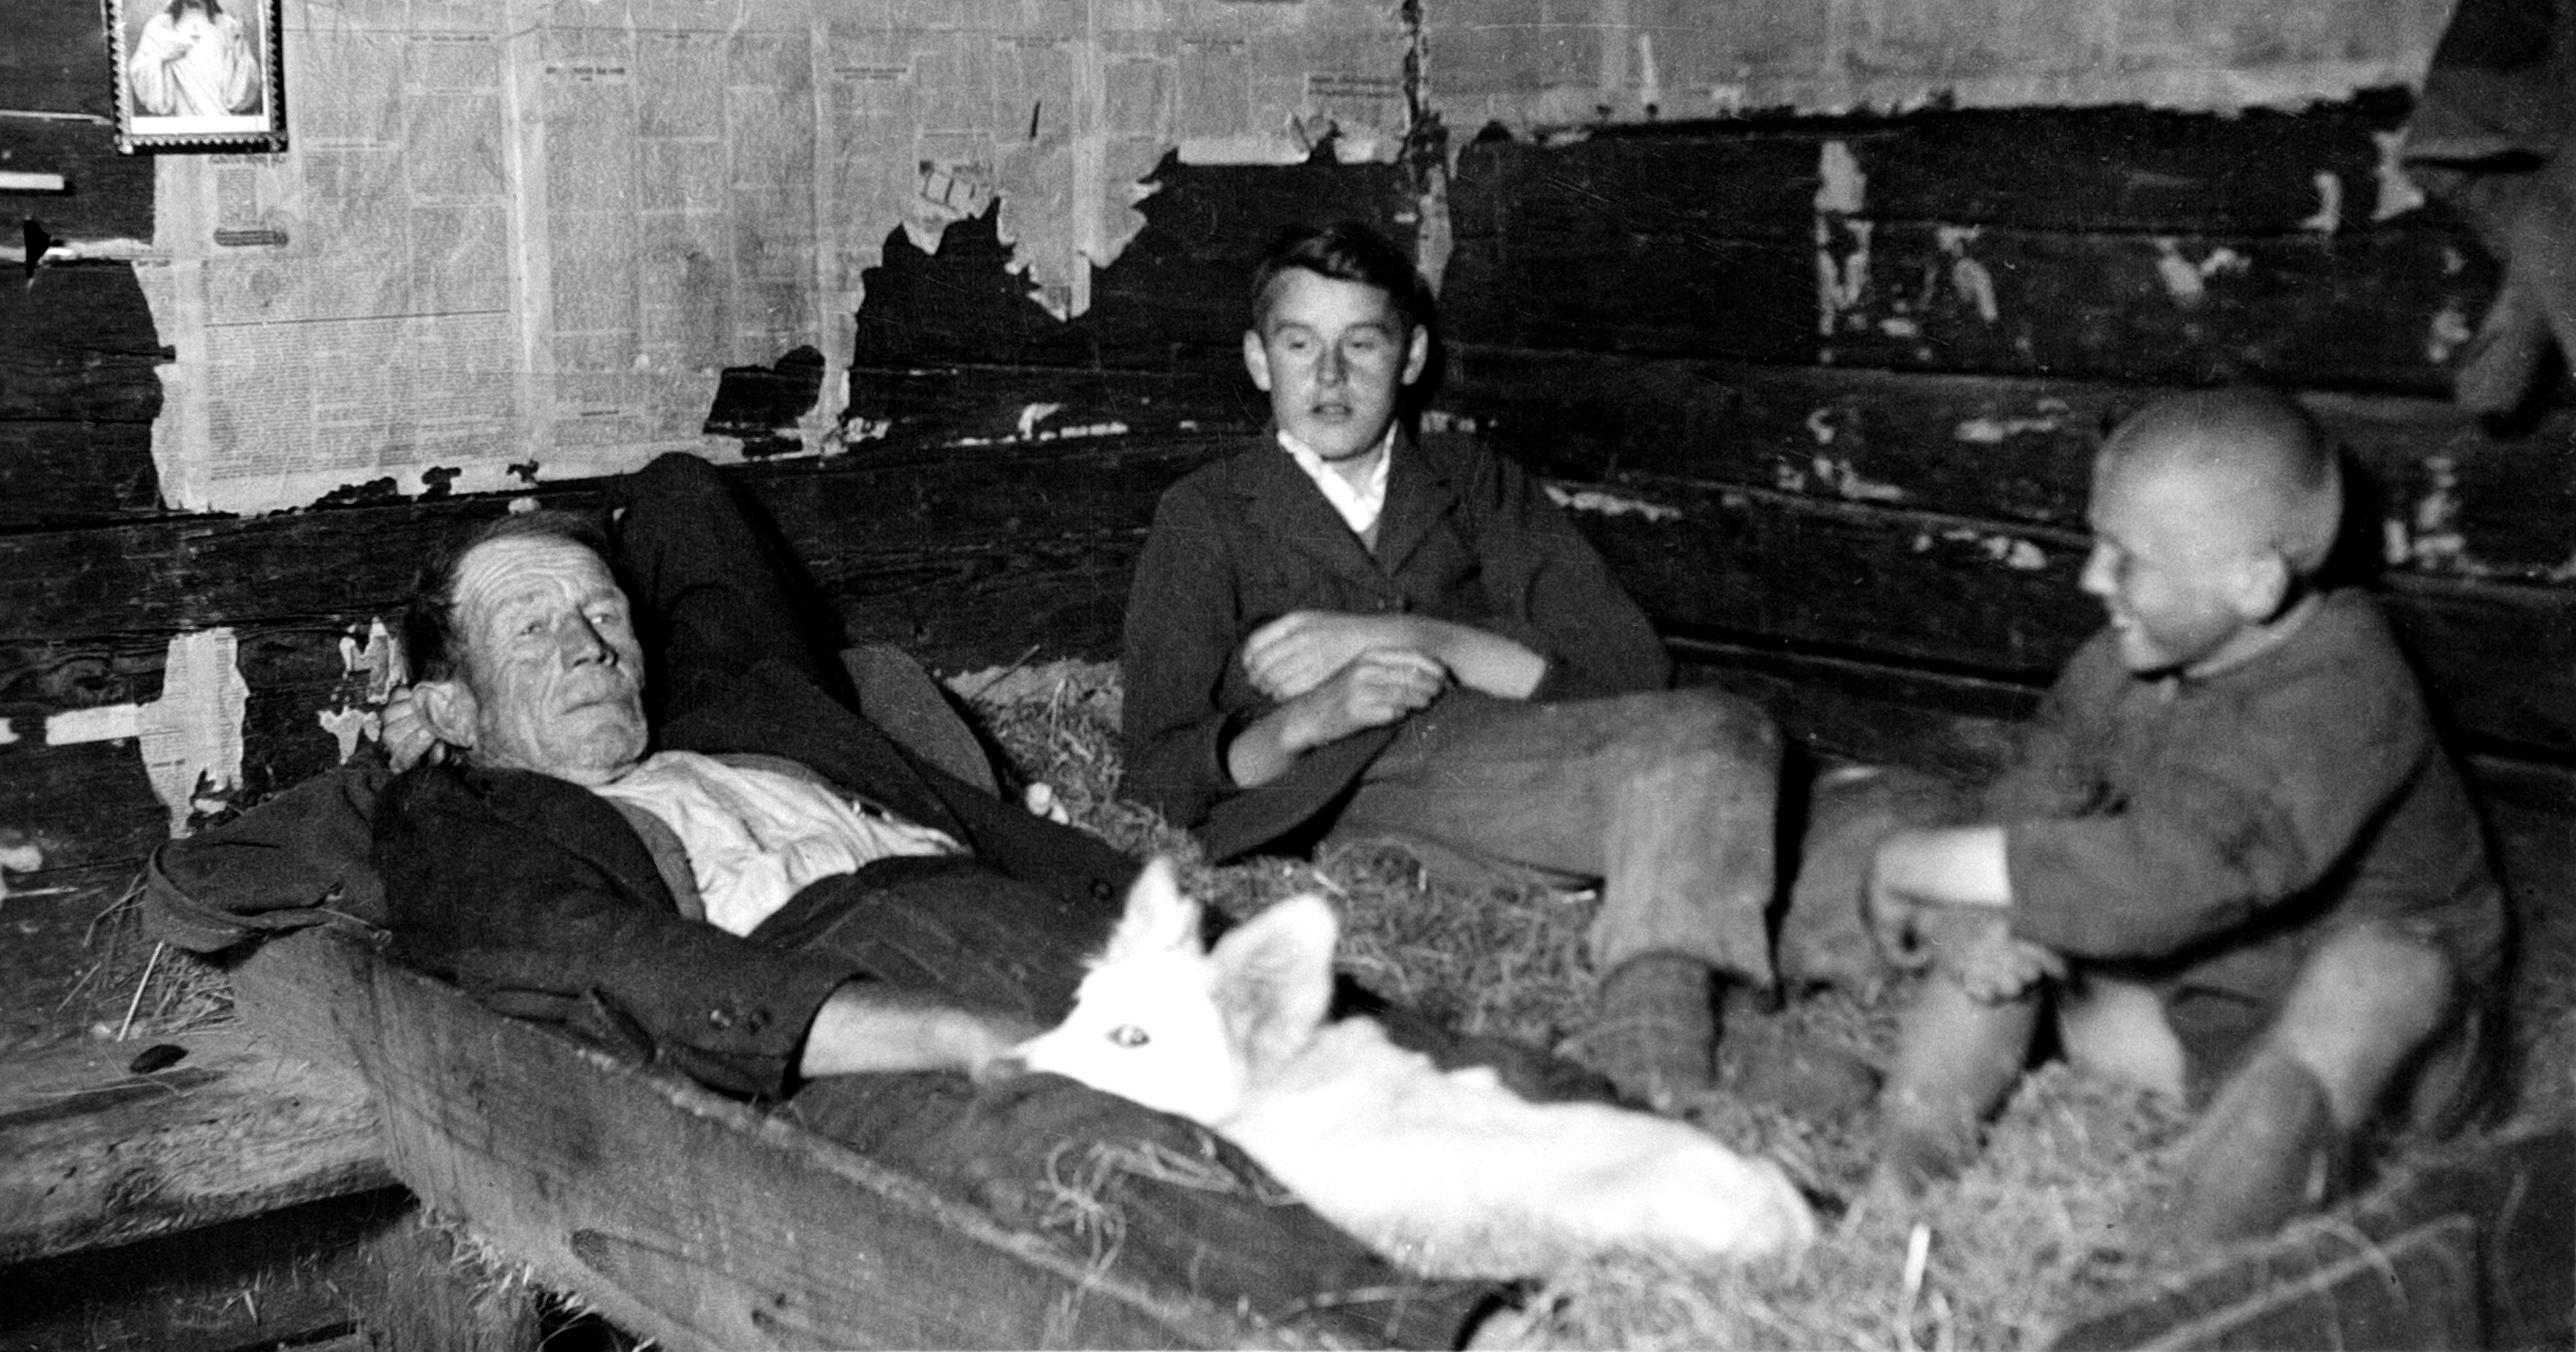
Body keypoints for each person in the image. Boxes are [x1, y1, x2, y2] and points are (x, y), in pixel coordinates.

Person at [352, 453, 1494, 1340]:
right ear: (452, 705)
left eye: (603, 614)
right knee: (1091, 1153)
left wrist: (565, 583)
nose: (588, 648)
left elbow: (682, 497)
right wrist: (943, 1029)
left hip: (1018, 915)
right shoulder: (470, 812)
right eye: (532, 628)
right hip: (854, 989)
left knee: (1363, 1070)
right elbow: (596, 950)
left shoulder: (741, 708)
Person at [1120, 219, 1801, 1111]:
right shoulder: (1207, 514)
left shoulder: (1469, 480)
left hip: (1501, 762)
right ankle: (1658, 1063)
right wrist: (1306, 720)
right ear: (1259, 359)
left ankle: (1732, 1036)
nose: (1331, 377)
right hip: (1346, 789)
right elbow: (1157, 776)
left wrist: (1426, 639)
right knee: (1714, 740)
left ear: (1410, 357)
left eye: (1362, 344)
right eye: (1301, 344)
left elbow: (1630, 673)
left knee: (1745, 765)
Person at [1864, 387, 2507, 1247]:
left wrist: (1910, 862)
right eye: (2097, 543)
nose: (2093, 578)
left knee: (2381, 969)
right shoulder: (2125, 663)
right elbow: (2031, 800)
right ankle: (1896, 1194)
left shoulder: (2347, 688)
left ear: (2255, 581)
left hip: (2387, 1081)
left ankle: (2174, 1272)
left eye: (2127, 559)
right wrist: (1969, 922)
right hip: (2206, 1029)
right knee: (2005, 909)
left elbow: (2176, 876)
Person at [127, 0, 262, 120]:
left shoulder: (227, 26)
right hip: (178, 125)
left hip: (219, 121)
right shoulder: (159, 26)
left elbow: (245, 85)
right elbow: (138, 71)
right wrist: (163, 57)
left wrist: (239, 50)